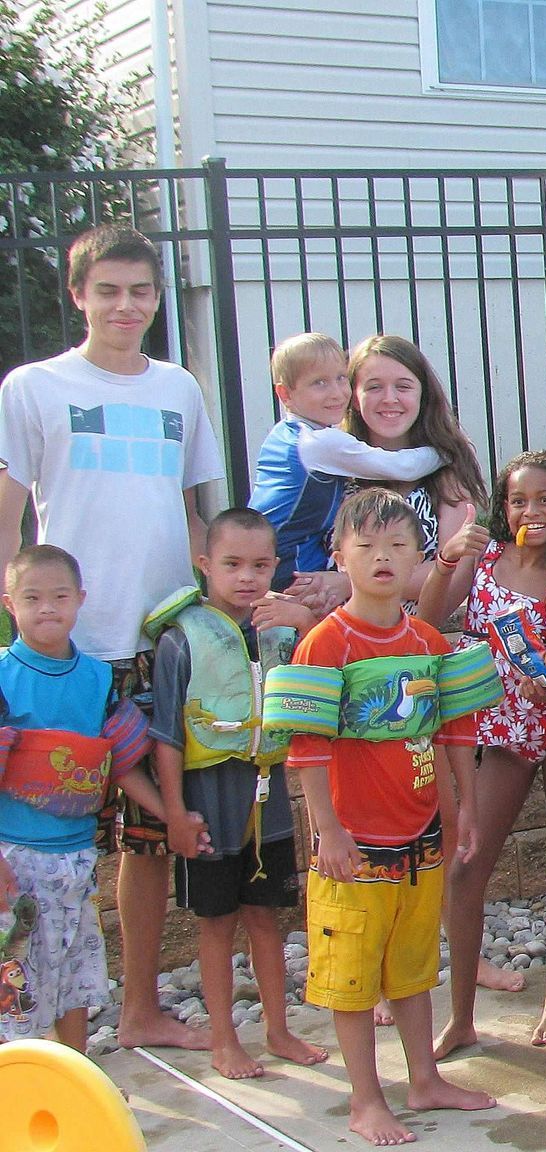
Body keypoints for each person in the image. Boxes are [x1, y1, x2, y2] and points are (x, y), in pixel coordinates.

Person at [0, 224, 225, 1053]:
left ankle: (136, 1010)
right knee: (36, 838)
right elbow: (12, 508)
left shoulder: (179, 390)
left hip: (161, 640)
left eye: (139, 291)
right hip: (68, 645)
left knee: (149, 836)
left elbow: (197, 507)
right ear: (77, 295)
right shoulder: (33, 387)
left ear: (158, 299)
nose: (125, 305)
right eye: (108, 290)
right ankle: (28, 1026)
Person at [263, 487, 500, 1145]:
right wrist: (327, 831)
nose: (383, 558)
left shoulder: (426, 639)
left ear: (420, 554)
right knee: (351, 980)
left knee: (414, 965)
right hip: (354, 842)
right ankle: (367, 1099)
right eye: (366, 546)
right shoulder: (324, 645)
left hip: (420, 833)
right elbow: (305, 749)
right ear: (339, 556)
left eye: (398, 545)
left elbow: (456, 732)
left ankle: (424, 1077)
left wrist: (466, 812)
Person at [418, 451, 546, 1057]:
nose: (531, 512)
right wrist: (446, 559)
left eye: (545, 500)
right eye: (519, 500)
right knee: (466, 865)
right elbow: (428, 621)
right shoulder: (485, 557)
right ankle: (462, 1016)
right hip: (503, 728)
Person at [148, 510, 327, 1078]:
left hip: (267, 807)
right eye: (231, 564)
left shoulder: (281, 632)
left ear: (276, 566)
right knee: (217, 922)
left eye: (258, 565)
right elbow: (167, 737)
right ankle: (225, 1039)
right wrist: (175, 812)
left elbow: (325, 684)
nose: (246, 577)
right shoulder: (181, 641)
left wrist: (302, 622)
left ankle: (278, 1030)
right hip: (208, 808)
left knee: (268, 919)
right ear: (205, 565)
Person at [0, 545, 160, 1052]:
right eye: (32, 598)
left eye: (59, 596)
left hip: (77, 858)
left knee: (75, 981)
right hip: (15, 859)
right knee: (14, 986)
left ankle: (78, 1080)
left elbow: (121, 761)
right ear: (10, 604)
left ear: (80, 600)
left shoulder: (97, 678)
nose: (47, 608)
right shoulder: (3, 676)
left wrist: (170, 814)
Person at [296, 334, 488, 614]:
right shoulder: (332, 469)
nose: (390, 399)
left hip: (412, 637)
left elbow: (455, 576)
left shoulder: (447, 473)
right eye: (374, 387)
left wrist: (350, 582)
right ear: (354, 397)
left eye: (403, 386)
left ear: (423, 395)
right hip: (328, 633)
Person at [249, 333, 448, 593]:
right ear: (285, 394)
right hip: (287, 559)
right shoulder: (318, 443)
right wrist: (446, 451)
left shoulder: (285, 434)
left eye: (341, 378)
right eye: (319, 383)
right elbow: (404, 467)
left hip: (262, 550)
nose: (336, 393)